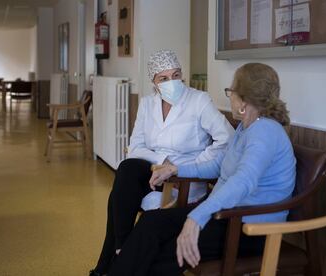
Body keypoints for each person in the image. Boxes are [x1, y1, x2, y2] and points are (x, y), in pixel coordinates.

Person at [107, 63, 297, 275]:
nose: (229, 96)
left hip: (246, 229)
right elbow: (219, 166)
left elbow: (243, 181)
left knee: (163, 253)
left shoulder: (265, 132)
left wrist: (197, 217)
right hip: (225, 217)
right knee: (151, 223)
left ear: (244, 99)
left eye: (231, 91)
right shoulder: (246, 127)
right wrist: (175, 170)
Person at [90, 50, 234, 276]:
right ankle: (123, 249)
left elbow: (227, 140)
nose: (172, 82)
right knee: (127, 171)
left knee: (118, 195)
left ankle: (110, 262)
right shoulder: (148, 104)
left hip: (184, 180)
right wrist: (163, 162)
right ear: (153, 82)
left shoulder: (199, 101)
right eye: (164, 78)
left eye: (176, 75)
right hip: (154, 172)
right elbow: (135, 147)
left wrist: (187, 167)